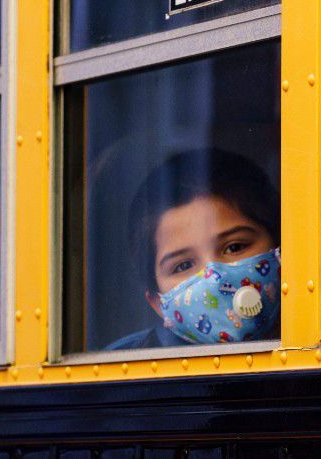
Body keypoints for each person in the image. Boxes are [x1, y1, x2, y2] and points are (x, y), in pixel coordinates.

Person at [107, 148, 280, 349]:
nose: (214, 277)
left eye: (234, 247)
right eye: (183, 265)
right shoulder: (125, 367)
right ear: (157, 303)